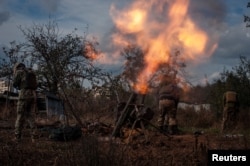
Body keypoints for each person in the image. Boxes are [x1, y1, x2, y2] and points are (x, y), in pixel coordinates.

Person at [13, 62, 38, 142]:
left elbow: (15, 83)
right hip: (33, 94)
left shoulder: (19, 72)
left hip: (24, 93)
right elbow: (36, 85)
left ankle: (17, 137)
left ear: (17, 67)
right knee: (31, 116)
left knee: (20, 115)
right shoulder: (31, 72)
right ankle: (34, 137)